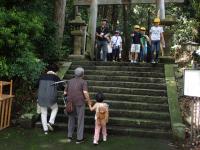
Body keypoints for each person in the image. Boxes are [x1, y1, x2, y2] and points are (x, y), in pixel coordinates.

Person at [64, 67, 91, 144]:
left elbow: (65, 93)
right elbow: (85, 92)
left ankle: (69, 136)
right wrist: (89, 101)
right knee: (80, 120)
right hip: (80, 102)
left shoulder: (69, 81)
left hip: (70, 103)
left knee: (71, 119)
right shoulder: (83, 82)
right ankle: (79, 139)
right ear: (82, 74)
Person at [37, 64, 61, 135]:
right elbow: (61, 87)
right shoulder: (55, 77)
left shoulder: (41, 76)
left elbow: (36, 85)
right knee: (55, 108)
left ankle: (45, 130)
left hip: (41, 96)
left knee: (43, 112)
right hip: (51, 97)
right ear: (55, 71)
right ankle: (50, 122)